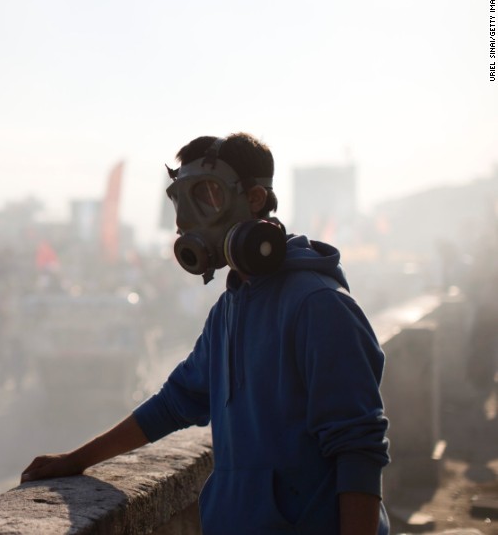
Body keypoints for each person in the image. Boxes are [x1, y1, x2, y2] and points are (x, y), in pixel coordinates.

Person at [20, 133, 390, 534]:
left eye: (207, 195)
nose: (184, 221)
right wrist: (77, 460)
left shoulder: (319, 306)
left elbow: (358, 450)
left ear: (253, 199)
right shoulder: (228, 310)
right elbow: (175, 403)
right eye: (179, 200)